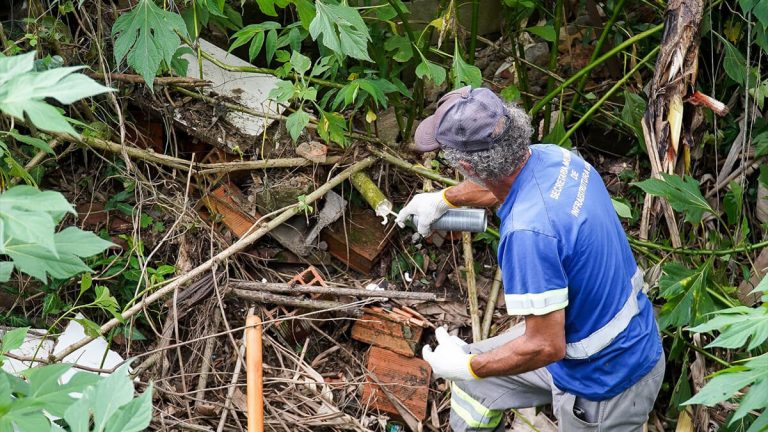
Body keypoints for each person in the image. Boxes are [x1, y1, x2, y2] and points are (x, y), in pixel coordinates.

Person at [395, 86, 664, 431]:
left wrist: (469, 367)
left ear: (465, 165)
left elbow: (545, 345)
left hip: (605, 383)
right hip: (602, 337)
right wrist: (443, 199)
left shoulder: (528, 233)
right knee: (475, 385)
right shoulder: (554, 158)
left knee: (472, 371)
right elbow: (497, 183)